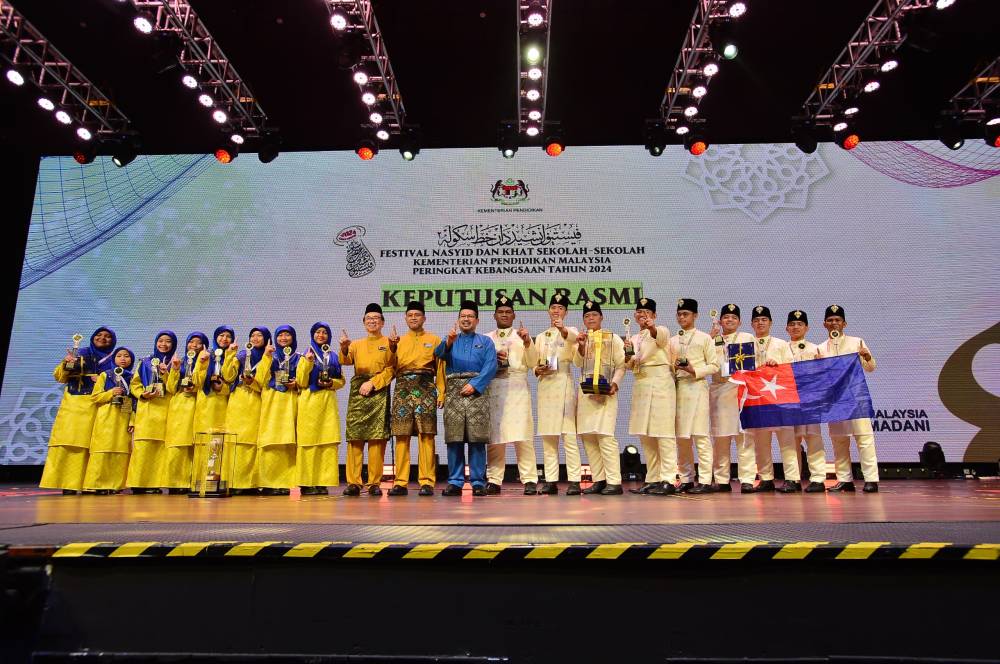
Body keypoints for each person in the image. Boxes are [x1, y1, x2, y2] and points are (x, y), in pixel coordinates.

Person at [41, 327, 117, 494]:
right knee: (73, 444)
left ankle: (93, 483)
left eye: (107, 337)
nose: (102, 339)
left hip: (101, 406)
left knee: (96, 446)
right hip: (75, 405)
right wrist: (68, 362)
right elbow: (60, 377)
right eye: (99, 335)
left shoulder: (114, 359)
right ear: (92, 337)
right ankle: (69, 484)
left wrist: (103, 381)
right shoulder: (79, 353)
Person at [434, 300, 497, 496]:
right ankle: (455, 481)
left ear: (477, 320)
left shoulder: (485, 341)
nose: (466, 319)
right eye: (463, 316)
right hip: (454, 392)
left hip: (477, 392)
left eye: (470, 316)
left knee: (477, 439)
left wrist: (475, 385)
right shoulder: (450, 339)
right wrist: (448, 342)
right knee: (455, 438)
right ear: (458, 320)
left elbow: (491, 366)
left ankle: (478, 482)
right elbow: (437, 355)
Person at [817, 304, 880, 493]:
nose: (834, 323)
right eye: (830, 320)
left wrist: (867, 356)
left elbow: (870, 367)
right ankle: (845, 479)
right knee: (839, 440)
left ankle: (871, 479)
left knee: (864, 439)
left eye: (837, 320)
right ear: (824, 324)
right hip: (835, 400)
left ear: (844, 324)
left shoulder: (857, 342)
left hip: (856, 398)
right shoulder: (820, 348)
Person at [388, 301, 445, 497]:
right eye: (410, 315)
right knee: (401, 435)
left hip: (426, 387)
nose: (413, 318)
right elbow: (389, 367)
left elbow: (440, 369)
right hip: (403, 388)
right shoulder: (397, 341)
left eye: (417, 315)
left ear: (424, 318)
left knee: (426, 435)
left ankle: (427, 481)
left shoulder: (435, 339)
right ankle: (400, 482)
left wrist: (442, 392)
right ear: (405, 318)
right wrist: (391, 347)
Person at [340, 304, 395, 497]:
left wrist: (373, 383)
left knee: (376, 438)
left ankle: (374, 482)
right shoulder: (355, 344)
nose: (372, 321)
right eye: (368, 319)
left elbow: (391, 369)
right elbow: (345, 361)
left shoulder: (389, 343)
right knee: (355, 437)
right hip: (358, 391)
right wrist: (344, 348)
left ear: (382, 322)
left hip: (378, 390)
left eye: (376, 318)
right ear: (364, 323)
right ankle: (354, 482)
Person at [486, 296, 539, 495]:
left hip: (518, 387)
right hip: (494, 387)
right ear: (494, 315)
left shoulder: (522, 336)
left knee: (523, 435)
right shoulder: (487, 338)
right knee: (495, 436)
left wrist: (527, 343)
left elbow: (534, 362)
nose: (505, 315)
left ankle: (530, 479)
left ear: (514, 315)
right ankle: (493, 479)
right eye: (501, 312)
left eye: (508, 312)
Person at [625, 298, 678, 496]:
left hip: (660, 383)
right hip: (641, 384)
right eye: (639, 311)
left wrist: (652, 327)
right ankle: (653, 478)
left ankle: (669, 478)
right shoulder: (635, 337)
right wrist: (627, 354)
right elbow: (629, 365)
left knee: (663, 434)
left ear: (654, 316)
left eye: (647, 312)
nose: (642, 315)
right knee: (646, 435)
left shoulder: (661, 330)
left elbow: (660, 337)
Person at [574, 301, 627, 495]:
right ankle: (599, 479)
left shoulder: (612, 338)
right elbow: (577, 362)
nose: (591, 319)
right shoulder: (581, 338)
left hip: (606, 391)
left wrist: (615, 383)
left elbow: (622, 364)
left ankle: (614, 481)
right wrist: (580, 346)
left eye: (594, 315)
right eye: (587, 316)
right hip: (586, 392)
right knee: (588, 437)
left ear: (601, 317)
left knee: (605, 436)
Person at [743, 306, 797, 492]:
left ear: (771, 323)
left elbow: (793, 368)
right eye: (756, 320)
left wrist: (778, 365)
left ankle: (792, 478)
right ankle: (766, 478)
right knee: (761, 441)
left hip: (779, 399)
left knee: (787, 440)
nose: (760, 323)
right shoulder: (745, 344)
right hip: (757, 399)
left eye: (764, 319)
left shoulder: (781, 344)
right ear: (751, 324)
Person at [533, 294, 583, 496]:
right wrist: (537, 369)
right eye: (553, 307)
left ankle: (575, 480)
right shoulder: (541, 336)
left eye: (560, 308)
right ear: (548, 311)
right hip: (546, 387)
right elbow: (534, 364)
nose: (556, 310)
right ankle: (551, 480)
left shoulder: (572, 332)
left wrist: (562, 329)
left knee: (569, 437)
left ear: (566, 312)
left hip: (563, 384)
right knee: (548, 438)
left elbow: (576, 352)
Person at [671, 299, 719, 493]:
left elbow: (714, 365)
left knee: (700, 436)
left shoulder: (704, 338)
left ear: (695, 316)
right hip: (678, 389)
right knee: (682, 438)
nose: (682, 317)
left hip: (697, 387)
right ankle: (686, 478)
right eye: (680, 314)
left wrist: (694, 370)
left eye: (686, 314)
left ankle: (706, 480)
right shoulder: (672, 340)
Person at [295, 322, 346, 495]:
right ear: (312, 334)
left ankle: (322, 481)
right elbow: (301, 381)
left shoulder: (333, 356)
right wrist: (308, 363)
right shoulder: (305, 355)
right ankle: (307, 482)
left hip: (327, 403)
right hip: (309, 402)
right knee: (308, 444)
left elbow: (341, 380)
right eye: (318, 332)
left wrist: (332, 383)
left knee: (326, 443)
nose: (321, 335)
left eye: (325, 332)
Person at [222, 327, 271, 494]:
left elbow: (265, 382)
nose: (255, 338)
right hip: (237, 401)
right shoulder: (242, 355)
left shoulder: (269, 357)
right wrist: (230, 354)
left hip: (257, 401)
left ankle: (251, 483)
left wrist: (252, 382)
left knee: (252, 443)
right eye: (252, 335)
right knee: (236, 443)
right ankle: (235, 482)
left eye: (259, 335)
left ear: (266, 339)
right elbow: (228, 376)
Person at [127, 330, 175, 494]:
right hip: (147, 408)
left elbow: (174, 387)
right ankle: (137, 482)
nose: (164, 344)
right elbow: (135, 384)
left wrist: (166, 373)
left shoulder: (177, 362)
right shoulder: (144, 361)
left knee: (159, 448)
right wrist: (142, 394)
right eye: (160, 340)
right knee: (143, 447)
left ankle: (154, 483)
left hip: (166, 408)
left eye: (168, 341)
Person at [83, 347, 135, 494]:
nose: (123, 359)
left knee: (120, 452)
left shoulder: (132, 377)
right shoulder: (106, 375)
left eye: (127, 356)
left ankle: (115, 485)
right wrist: (111, 393)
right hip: (106, 417)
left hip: (123, 417)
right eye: (119, 355)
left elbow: (134, 402)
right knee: (102, 451)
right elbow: (95, 397)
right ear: (114, 359)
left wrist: (132, 420)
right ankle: (94, 484)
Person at [190, 326, 237, 489]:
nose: (224, 339)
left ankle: (218, 478)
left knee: (220, 443)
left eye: (228, 336)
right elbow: (196, 381)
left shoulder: (235, 356)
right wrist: (202, 362)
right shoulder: (205, 354)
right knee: (204, 442)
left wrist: (222, 388)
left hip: (223, 404)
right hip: (205, 402)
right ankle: (201, 479)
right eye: (221, 336)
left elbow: (232, 380)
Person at [257, 325, 302, 496]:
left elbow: (304, 379)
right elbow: (260, 378)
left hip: (290, 402)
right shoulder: (269, 356)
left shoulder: (299, 357)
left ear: (293, 338)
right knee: (269, 443)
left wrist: (296, 383)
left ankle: (283, 483)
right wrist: (267, 355)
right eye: (280, 335)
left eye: (287, 335)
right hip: (271, 402)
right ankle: (266, 482)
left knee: (285, 444)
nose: (283, 338)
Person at [162, 331, 209, 494]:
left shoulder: (208, 362)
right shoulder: (179, 361)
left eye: (198, 342)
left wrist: (202, 363)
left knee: (196, 447)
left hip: (199, 404)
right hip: (181, 406)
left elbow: (203, 382)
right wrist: (174, 369)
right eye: (191, 342)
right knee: (178, 445)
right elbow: (170, 388)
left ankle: (193, 480)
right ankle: (175, 482)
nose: (194, 345)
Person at [786, 309, 827, 493]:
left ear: (807, 327)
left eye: (799, 324)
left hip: (810, 401)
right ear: (787, 328)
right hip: (789, 401)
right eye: (792, 324)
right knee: (791, 441)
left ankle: (818, 478)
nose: (796, 327)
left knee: (814, 440)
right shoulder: (781, 348)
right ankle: (793, 479)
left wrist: (822, 366)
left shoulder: (815, 349)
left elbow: (825, 376)